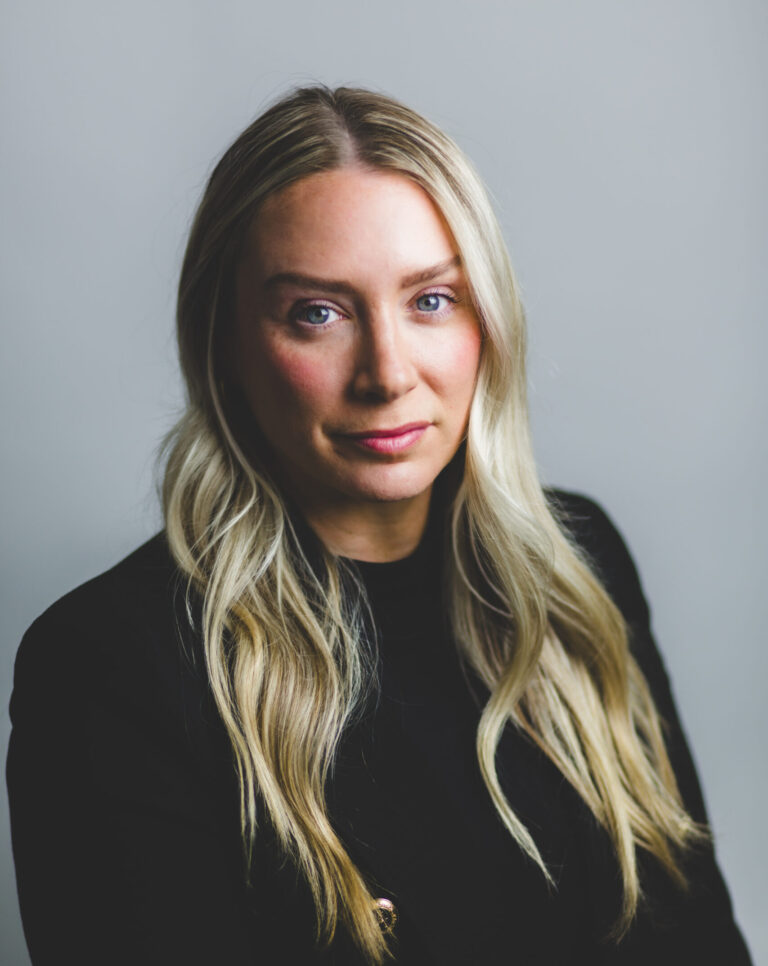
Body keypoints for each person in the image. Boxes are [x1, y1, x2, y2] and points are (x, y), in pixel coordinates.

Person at [6, 86, 752, 966]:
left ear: (488, 320)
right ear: (225, 344)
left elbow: (699, 939)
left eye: (432, 300)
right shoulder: (111, 667)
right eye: (317, 313)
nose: (388, 373)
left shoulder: (579, 566)